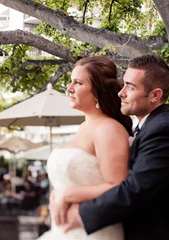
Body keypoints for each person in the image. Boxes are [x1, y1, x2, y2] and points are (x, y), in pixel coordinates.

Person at [61, 54, 169, 239]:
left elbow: (136, 190)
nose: (121, 92)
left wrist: (80, 213)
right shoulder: (149, 127)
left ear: (155, 95)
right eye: (124, 84)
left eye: (130, 87)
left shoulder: (164, 130)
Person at [37, 55, 133, 239]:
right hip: (65, 231)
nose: (69, 89)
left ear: (97, 92)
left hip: (93, 232)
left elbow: (117, 187)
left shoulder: (109, 129)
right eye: (70, 81)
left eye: (78, 83)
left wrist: (68, 194)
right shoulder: (83, 128)